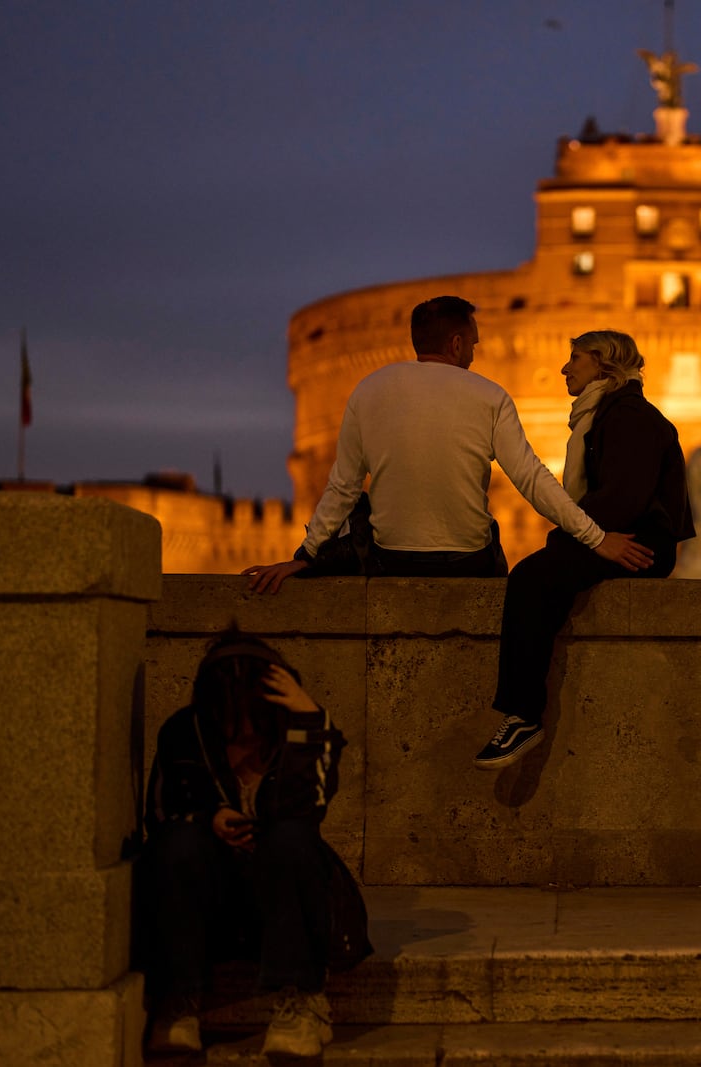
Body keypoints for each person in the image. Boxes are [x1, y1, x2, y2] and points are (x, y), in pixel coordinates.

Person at [243, 296, 653, 593]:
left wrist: (307, 554)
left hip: (391, 559)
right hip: (469, 560)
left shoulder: (368, 391)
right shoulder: (489, 396)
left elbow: (343, 486)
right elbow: (532, 480)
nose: (473, 355)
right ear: (456, 344)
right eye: (472, 344)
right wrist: (598, 538)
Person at [140, 633, 370, 1057]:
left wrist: (309, 720)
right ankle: (178, 1001)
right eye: (231, 714)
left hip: (283, 895)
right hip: (212, 895)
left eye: (252, 714)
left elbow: (307, 811)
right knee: (178, 842)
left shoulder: (299, 732)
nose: (243, 730)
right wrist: (207, 818)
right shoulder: (184, 732)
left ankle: (300, 999)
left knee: (290, 837)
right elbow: (159, 813)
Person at [475, 329, 695, 768]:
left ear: (603, 363)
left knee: (533, 577)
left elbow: (622, 499)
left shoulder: (628, 416)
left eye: (575, 358)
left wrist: (567, 540)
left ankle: (523, 716)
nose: (564, 367)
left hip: (636, 543)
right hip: (619, 535)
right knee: (543, 575)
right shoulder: (608, 414)